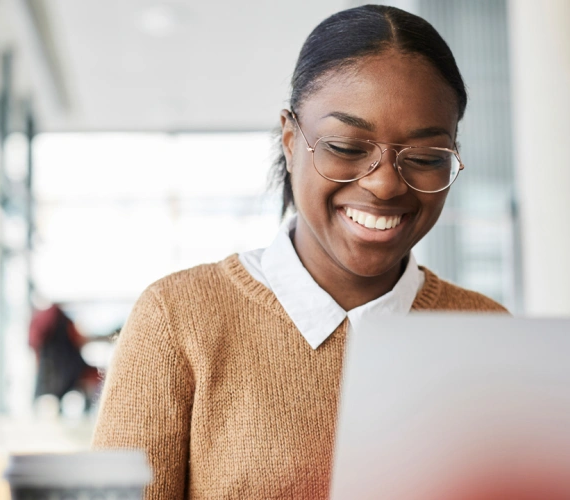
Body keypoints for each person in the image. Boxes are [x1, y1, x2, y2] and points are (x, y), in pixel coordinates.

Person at [92, 5, 507, 499]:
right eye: (348, 147)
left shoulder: (488, 332)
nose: (383, 184)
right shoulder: (178, 321)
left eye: (423, 158)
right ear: (290, 141)